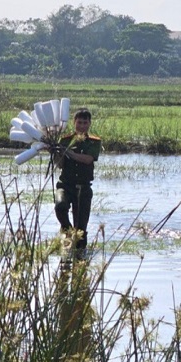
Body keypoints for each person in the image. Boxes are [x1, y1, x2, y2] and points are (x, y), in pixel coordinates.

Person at [53, 108, 101, 259]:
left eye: (85, 123)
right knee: (60, 207)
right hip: (65, 185)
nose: (81, 126)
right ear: (74, 123)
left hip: (83, 188)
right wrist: (56, 152)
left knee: (81, 231)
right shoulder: (65, 140)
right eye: (79, 122)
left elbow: (87, 159)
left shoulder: (94, 142)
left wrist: (68, 152)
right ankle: (67, 232)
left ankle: (80, 264)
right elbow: (59, 164)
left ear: (89, 124)